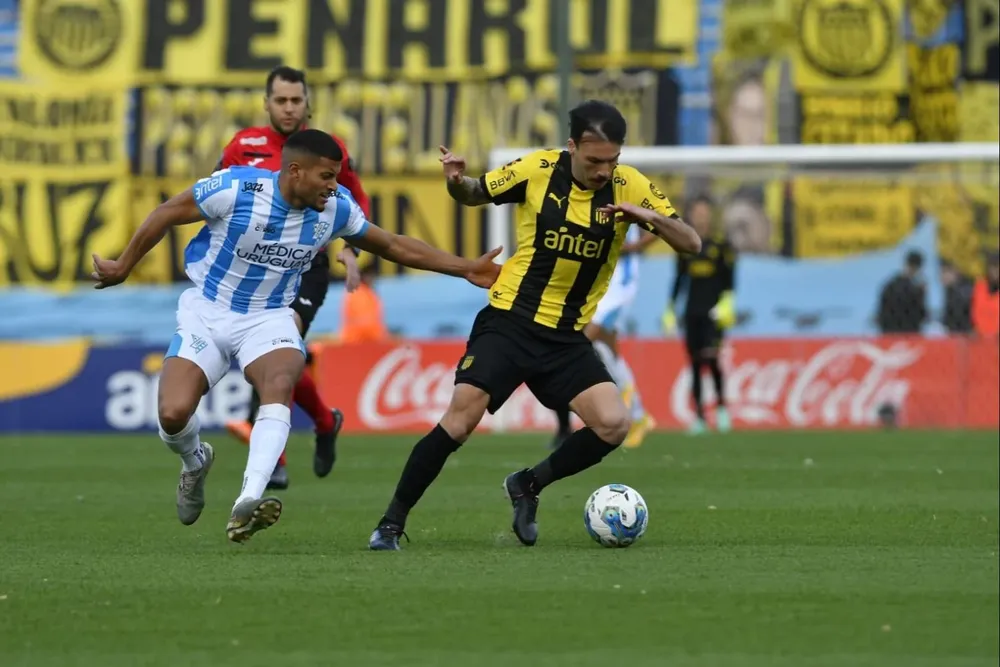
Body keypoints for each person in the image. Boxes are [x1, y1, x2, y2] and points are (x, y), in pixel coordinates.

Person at [91, 129, 502, 544]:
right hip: (208, 311)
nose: (334, 185)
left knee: (281, 381)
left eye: (336, 176)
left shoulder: (334, 210)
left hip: (269, 317)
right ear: (295, 172)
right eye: (326, 176)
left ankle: (247, 501)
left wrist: (465, 268)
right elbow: (166, 211)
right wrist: (124, 266)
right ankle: (195, 460)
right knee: (173, 414)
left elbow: (394, 245)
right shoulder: (236, 188)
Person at [367, 100, 702, 551]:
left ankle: (528, 484)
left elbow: (692, 243)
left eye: (612, 160)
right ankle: (390, 523)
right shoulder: (537, 168)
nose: (604, 171)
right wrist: (454, 182)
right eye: (594, 160)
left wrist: (652, 219)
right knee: (461, 418)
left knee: (614, 423)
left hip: (565, 337)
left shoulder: (631, 186)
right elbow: (473, 193)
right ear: (571, 147)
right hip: (510, 320)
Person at [220, 65, 371, 490]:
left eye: (296, 100)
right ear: (266, 103)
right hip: (254, 269)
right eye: (281, 100)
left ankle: (276, 460)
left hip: (306, 265)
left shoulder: (328, 150)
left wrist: (350, 247)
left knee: (274, 351)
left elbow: (356, 198)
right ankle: (325, 421)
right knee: (277, 357)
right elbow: (217, 191)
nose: (289, 108)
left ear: (308, 104)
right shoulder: (242, 147)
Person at [548, 224, 659, 451]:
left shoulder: (627, 194)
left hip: (620, 285)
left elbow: (659, 225)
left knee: (581, 340)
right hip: (600, 282)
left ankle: (622, 409)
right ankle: (638, 416)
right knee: (606, 349)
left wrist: (633, 247)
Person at [662, 195, 737, 435]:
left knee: (712, 360)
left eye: (705, 212)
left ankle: (722, 409)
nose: (701, 217)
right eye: (697, 212)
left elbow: (729, 280)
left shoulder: (721, 246)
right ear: (692, 215)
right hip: (691, 312)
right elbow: (679, 280)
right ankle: (700, 417)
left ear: (710, 216)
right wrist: (671, 309)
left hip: (713, 313)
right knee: (694, 364)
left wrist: (726, 303)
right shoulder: (684, 246)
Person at [876, 250, 927, 334]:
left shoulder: (890, 285)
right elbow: (921, 315)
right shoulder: (916, 289)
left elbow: (881, 313)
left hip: (889, 334)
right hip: (910, 335)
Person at [971, 253, 1000, 338]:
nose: (995, 271)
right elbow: (973, 310)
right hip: (979, 337)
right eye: (992, 267)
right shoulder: (979, 286)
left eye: (997, 267)